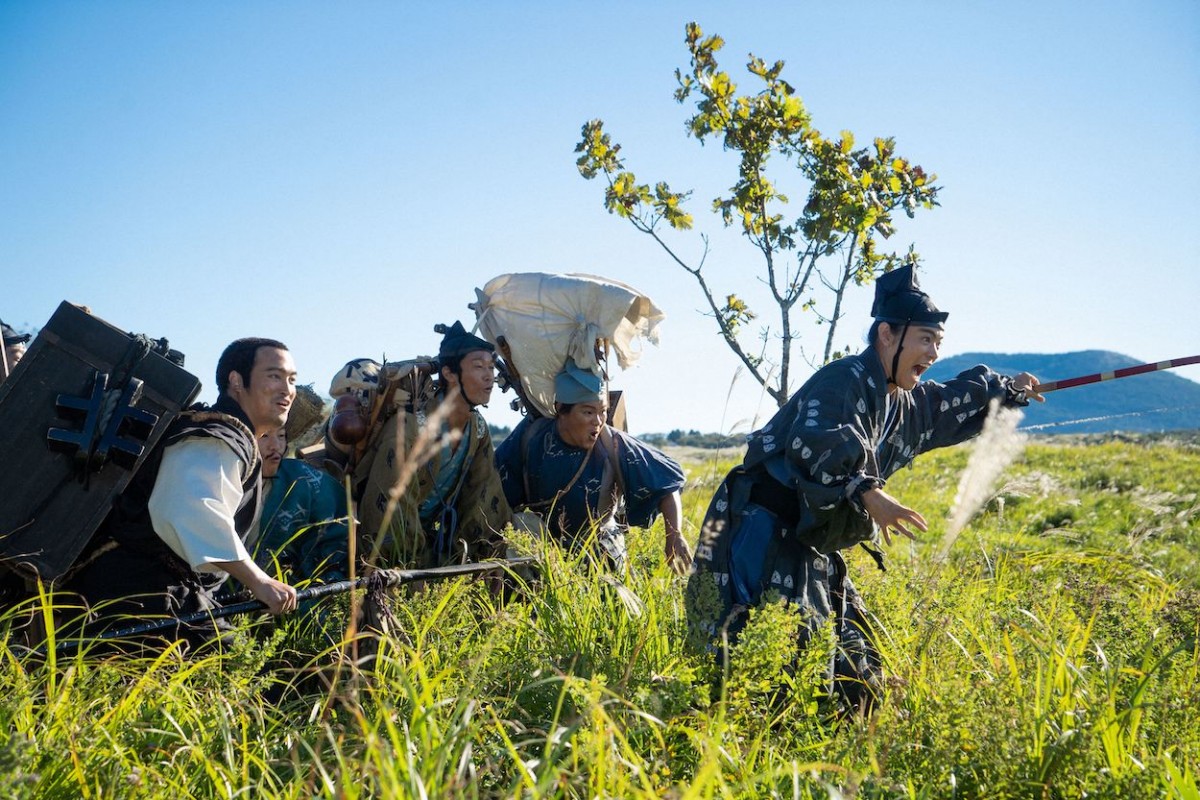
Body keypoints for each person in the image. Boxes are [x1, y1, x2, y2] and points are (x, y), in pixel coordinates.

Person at [684, 264, 1045, 713]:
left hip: (809, 541)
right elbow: (820, 440)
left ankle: (858, 732)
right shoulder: (844, 379)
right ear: (887, 335)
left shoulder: (903, 400)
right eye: (925, 339)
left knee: (855, 660)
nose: (933, 352)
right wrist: (868, 492)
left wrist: (1006, 392)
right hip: (759, 533)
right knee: (759, 658)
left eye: (938, 342)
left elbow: (945, 404)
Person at [64, 338, 300, 647]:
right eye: (274, 375)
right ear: (236, 381)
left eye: (291, 379)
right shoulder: (216, 437)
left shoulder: (227, 435)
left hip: (151, 598)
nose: (287, 389)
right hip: (141, 599)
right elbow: (192, 509)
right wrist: (258, 580)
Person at [327, 322, 511, 569]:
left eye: (490, 367)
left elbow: (483, 496)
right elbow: (391, 505)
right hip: (389, 556)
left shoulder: (477, 429)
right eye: (478, 367)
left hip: (434, 545)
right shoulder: (410, 426)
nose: (489, 375)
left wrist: (478, 559)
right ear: (449, 374)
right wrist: (408, 567)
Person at [494, 360, 691, 573]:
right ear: (561, 409)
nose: (598, 421)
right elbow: (493, 485)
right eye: (588, 412)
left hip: (599, 547)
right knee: (521, 526)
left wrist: (675, 535)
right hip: (541, 547)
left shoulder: (614, 444)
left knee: (607, 595)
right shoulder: (532, 436)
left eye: (603, 411)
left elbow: (666, 484)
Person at [253, 425, 349, 586]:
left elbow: (336, 533)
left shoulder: (301, 479)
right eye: (264, 436)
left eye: (281, 436)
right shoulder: (219, 480)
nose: (275, 445)